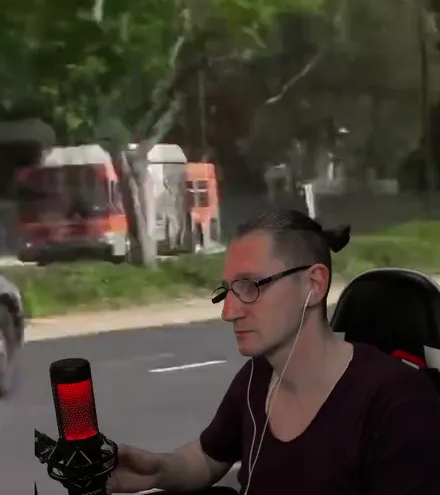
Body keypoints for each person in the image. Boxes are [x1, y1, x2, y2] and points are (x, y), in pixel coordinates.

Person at [106, 209, 440, 495]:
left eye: (250, 286)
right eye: (227, 291)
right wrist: (157, 470)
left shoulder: (400, 402)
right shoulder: (257, 376)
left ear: (313, 285)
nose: (228, 312)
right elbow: (207, 458)